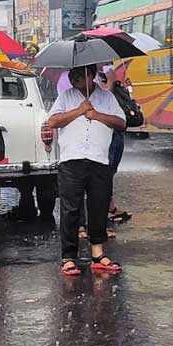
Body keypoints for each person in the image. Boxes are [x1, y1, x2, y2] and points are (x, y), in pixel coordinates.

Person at [47, 64, 126, 276]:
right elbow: (53, 121)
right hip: (71, 160)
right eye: (72, 76)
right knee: (70, 209)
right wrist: (79, 111)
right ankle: (68, 257)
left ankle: (98, 253)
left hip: (99, 160)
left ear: (91, 76)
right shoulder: (65, 97)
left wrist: (97, 115)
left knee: (98, 206)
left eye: (79, 75)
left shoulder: (107, 97)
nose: (74, 79)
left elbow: (121, 123)